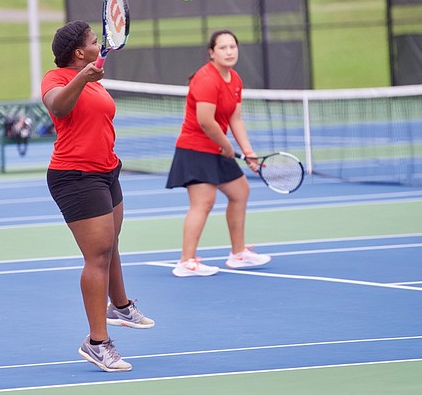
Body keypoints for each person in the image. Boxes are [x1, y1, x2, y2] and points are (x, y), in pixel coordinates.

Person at [42, 20, 154, 372]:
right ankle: (97, 342)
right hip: (75, 176)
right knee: (98, 254)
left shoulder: (94, 79)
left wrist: (90, 78)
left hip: (107, 171)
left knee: (111, 244)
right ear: (79, 52)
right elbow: (58, 108)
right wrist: (83, 78)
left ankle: (120, 305)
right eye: (93, 40)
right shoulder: (56, 78)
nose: (99, 42)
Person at [166, 30, 271, 277]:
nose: (229, 52)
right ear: (211, 52)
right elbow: (206, 121)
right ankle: (186, 261)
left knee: (240, 192)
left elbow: (235, 117)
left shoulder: (234, 79)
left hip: (215, 147)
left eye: (232, 47)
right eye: (223, 48)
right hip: (195, 148)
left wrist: (248, 151)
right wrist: (226, 145)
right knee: (203, 203)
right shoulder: (205, 79)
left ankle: (238, 254)